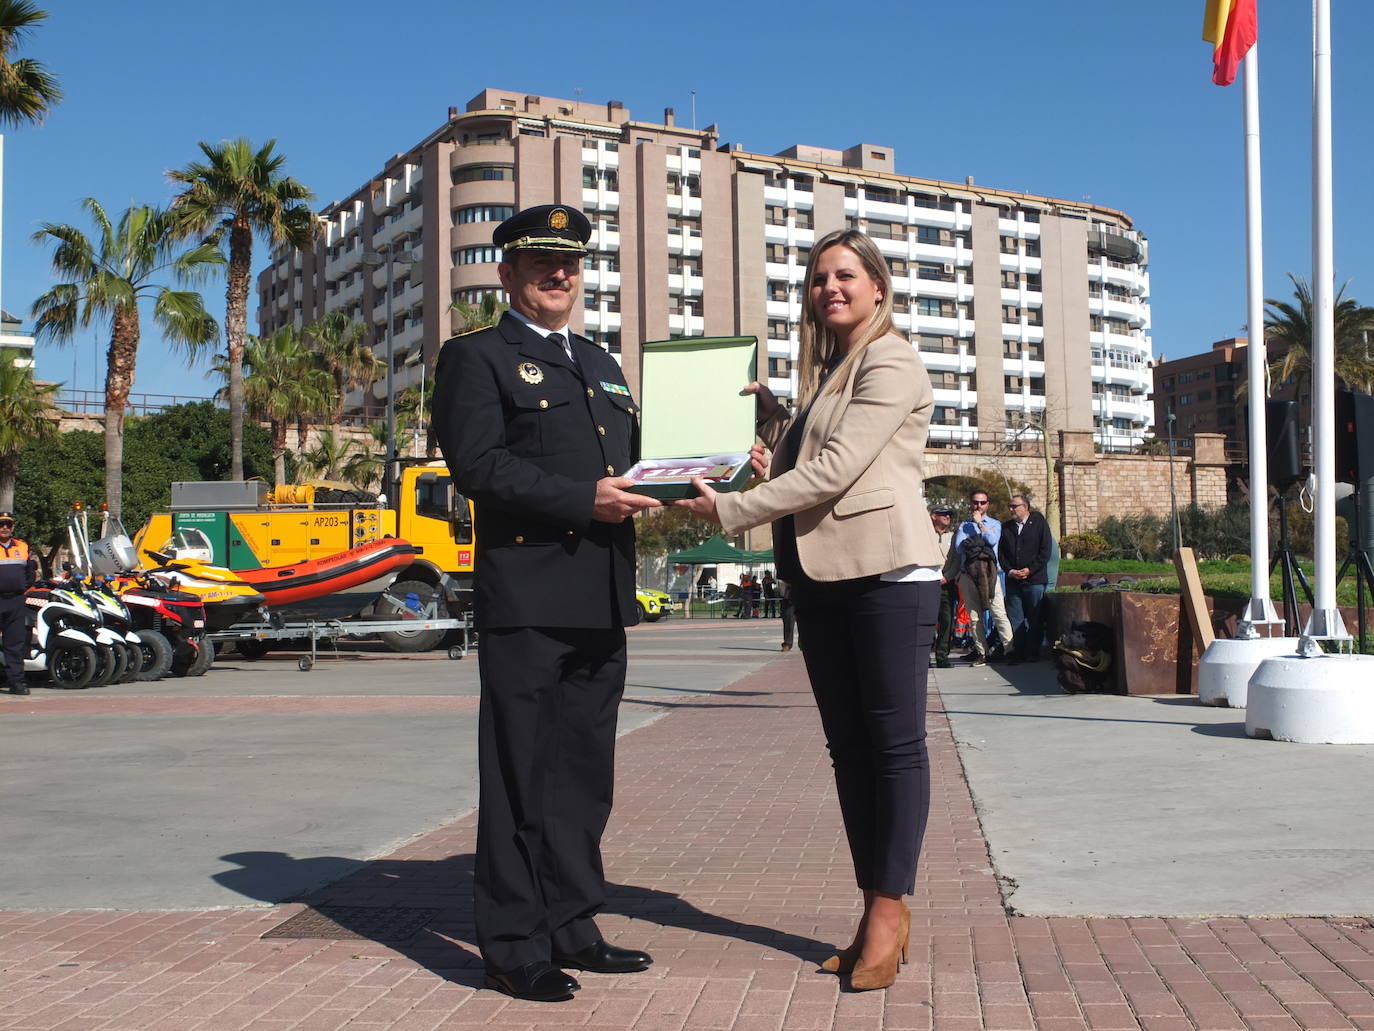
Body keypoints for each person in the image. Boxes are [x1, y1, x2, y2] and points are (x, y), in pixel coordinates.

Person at [678, 229, 942, 992]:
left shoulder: (892, 359)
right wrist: (771, 434)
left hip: (889, 574)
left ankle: (889, 913)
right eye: (820, 277)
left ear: (879, 287)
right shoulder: (831, 375)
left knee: (893, 748)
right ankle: (872, 909)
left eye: (846, 275)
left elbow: (836, 470)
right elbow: (810, 457)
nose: (831, 286)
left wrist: (734, 510)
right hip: (824, 580)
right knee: (851, 754)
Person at [431, 204, 659, 1003]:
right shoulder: (476, 358)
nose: (557, 276)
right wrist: (579, 498)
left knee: (581, 778)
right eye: (539, 264)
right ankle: (513, 942)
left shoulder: (602, 365)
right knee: (520, 776)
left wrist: (729, 453)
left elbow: (642, 465)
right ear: (508, 273)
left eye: (568, 264)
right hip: (527, 599)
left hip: (601, 597)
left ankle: (573, 923)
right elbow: (478, 465)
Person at [953, 489, 1014, 665]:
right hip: (969, 574)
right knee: (974, 616)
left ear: (988, 504)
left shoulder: (995, 524)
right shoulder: (964, 526)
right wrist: (978, 542)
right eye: (975, 502)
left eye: (982, 502)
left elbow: (992, 540)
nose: (978, 506)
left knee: (999, 613)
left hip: (990, 574)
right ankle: (982, 652)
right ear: (971, 503)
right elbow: (960, 547)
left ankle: (1009, 650)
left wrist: (980, 525)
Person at [998, 494, 1052, 664]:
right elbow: (1001, 554)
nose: (1011, 509)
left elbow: (1045, 551)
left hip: (1034, 580)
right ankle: (1019, 652)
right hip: (1014, 581)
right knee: (1016, 618)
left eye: (1015, 506)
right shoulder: (1006, 527)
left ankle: (1032, 652)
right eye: (1010, 506)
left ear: (1025, 507)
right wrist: (1010, 570)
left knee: (1035, 617)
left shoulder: (1039, 524)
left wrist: (1030, 570)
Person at [0, 512, 36, 695]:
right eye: (1, 524)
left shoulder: (22, 547)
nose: (4, 527)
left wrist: (24, 591)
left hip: (15, 601)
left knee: (15, 644)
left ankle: (16, 683)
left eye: (8, 524)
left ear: (12, 527)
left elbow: (30, 573)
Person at [930, 506, 960, 669]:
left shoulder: (954, 536)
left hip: (947, 584)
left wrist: (947, 577)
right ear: (934, 516)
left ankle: (942, 656)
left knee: (947, 620)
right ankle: (925, 656)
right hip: (928, 582)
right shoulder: (925, 535)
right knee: (928, 621)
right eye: (943, 514)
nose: (947, 517)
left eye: (949, 514)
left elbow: (956, 559)